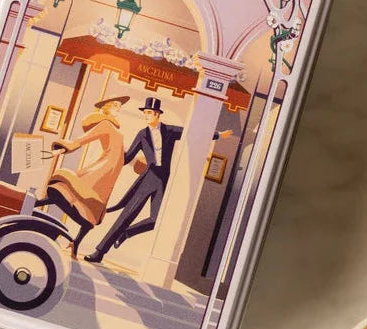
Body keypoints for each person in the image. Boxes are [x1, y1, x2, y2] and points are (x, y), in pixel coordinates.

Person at [84, 97, 232, 264]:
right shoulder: (142, 134)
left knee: (156, 220)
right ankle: (99, 252)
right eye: (145, 113)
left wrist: (218, 135)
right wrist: (112, 153)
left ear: (157, 114)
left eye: (149, 113)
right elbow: (128, 157)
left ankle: (126, 233)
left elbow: (193, 132)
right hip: (148, 178)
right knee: (126, 216)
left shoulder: (169, 130)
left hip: (162, 180)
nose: (146, 116)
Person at [32, 96, 129, 259]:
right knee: (75, 195)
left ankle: (75, 241)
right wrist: (61, 149)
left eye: (120, 106)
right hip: (101, 171)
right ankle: (35, 204)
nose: (119, 108)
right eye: (116, 105)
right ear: (106, 107)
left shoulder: (117, 129)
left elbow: (123, 153)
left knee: (90, 211)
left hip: (109, 177)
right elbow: (83, 140)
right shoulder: (105, 124)